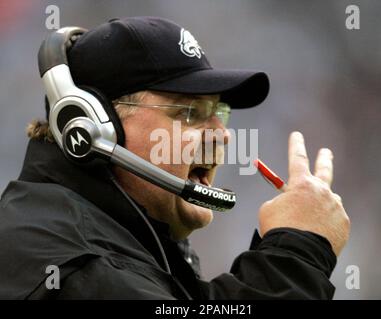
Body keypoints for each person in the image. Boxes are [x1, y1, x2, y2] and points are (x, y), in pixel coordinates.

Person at [0, 16, 350, 299]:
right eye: (190, 112)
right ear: (92, 127)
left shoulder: (122, 241)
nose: (223, 133)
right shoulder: (76, 267)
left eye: (219, 112)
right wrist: (296, 253)